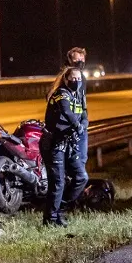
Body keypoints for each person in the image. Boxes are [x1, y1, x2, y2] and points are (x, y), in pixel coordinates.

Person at [40, 66, 89, 226]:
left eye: (79, 78)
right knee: (58, 182)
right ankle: (50, 220)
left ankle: (60, 208)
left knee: (81, 177)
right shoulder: (61, 94)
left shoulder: (80, 95)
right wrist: (76, 125)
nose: (76, 81)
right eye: (73, 79)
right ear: (66, 80)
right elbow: (67, 112)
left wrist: (82, 125)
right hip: (54, 143)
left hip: (69, 143)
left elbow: (84, 116)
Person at [66, 47, 89, 164]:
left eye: (82, 59)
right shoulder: (66, 78)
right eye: (76, 60)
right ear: (70, 61)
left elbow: (82, 100)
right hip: (69, 127)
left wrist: (85, 119)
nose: (80, 62)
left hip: (81, 125)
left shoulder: (82, 78)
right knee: (73, 160)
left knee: (82, 159)